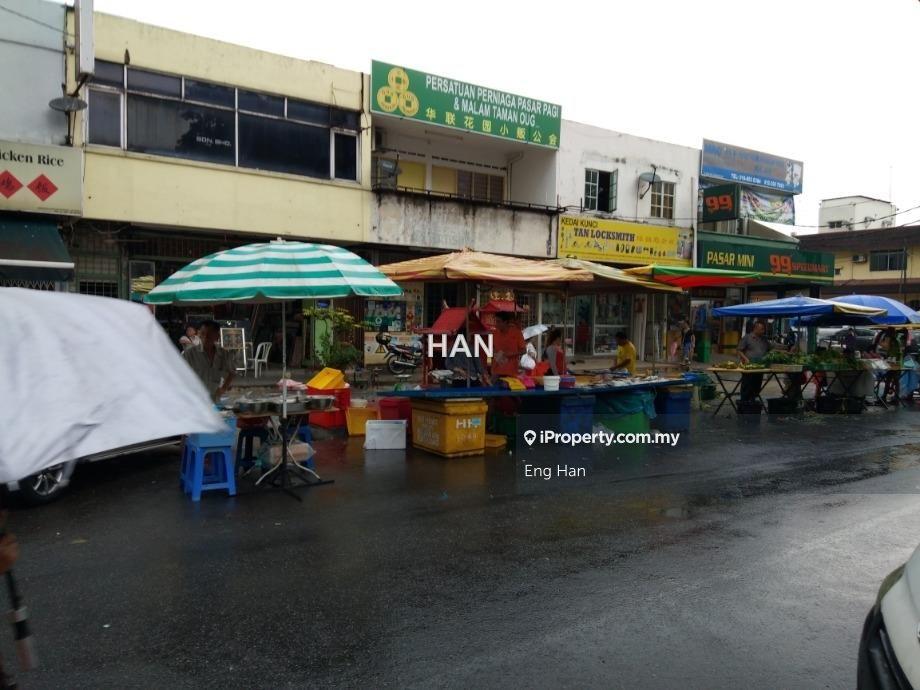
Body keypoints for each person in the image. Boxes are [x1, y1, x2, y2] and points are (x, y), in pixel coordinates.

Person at [182, 319, 236, 401]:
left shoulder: (223, 354)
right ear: (198, 334)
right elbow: (178, 374)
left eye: (210, 334)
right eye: (203, 333)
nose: (206, 337)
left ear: (217, 336)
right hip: (194, 399)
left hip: (214, 398)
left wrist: (223, 389)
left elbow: (232, 372)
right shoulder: (189, 354)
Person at [737, 320, 773, 402]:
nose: (763, 331)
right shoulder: (747, 337)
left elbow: (771, 348)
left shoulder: (764, 339)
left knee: (757, 386)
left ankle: (752, 402)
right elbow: (739, 350)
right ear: (756, 328)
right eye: (762, 329)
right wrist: (745, 359)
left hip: (760, 367)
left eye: (764, 329)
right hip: (749, 367)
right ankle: (744, 403)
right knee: (747, 386)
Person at [490, 312, 526, 379]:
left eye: (499, 322)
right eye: (496, 321)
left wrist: (510, 354)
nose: (496, 324)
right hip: (496, 371)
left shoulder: (516, 333)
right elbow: (492, 349)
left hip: (511, 372)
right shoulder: (495, 333)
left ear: (505, 322)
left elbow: (524, 351)